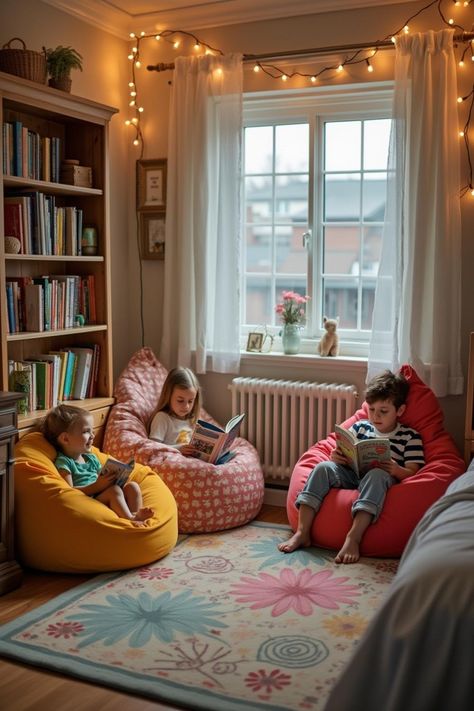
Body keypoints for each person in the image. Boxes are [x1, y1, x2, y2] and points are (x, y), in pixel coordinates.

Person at [278, 370, 425, 564]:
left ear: (400, 411)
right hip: (351, 474)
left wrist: (397, 470)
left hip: (379, 481)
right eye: (371, 409)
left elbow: (414, 471)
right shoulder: (360, 427)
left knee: (377, 475)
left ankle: (353, 538)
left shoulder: (409, 436)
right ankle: (302, 532)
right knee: (322, 467)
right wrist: (337, 457)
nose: (375, 416)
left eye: (383, 411)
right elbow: (343, 449)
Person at [41, 404, 154, 527]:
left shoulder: (90, 457)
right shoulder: (64, 462)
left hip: (104, 494)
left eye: (92, 431)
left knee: (133, 486)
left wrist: (116, 477)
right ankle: (131, 520)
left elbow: (102, 476)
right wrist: (97, 485)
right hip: (90, 501)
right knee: (114, 491)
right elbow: (69, 493)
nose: (92, 436)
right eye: (86, 431)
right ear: (65, 439)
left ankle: (135, 514)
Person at [149, 367, 201, 455]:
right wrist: (178, 449)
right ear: (168, 396)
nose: (186, 406)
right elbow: (153, 448)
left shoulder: (191, 419)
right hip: (171, 462)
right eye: (180, 400)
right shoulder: (162, 418)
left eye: (190, 401)